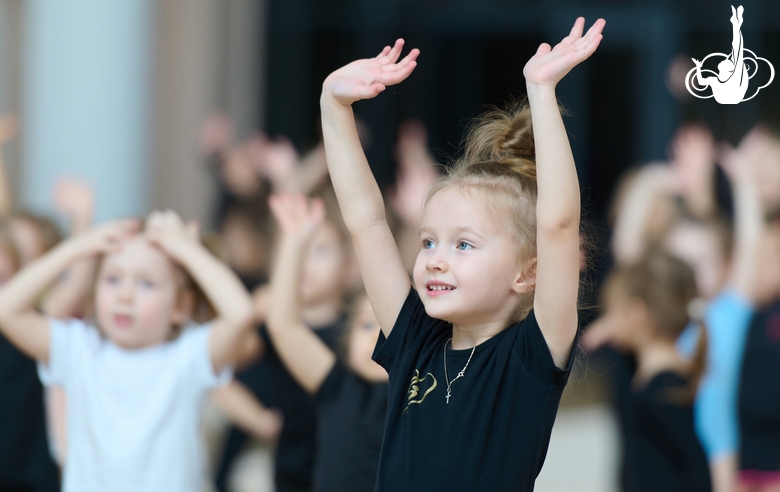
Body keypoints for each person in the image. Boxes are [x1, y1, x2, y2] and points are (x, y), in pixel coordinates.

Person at [319, 17, 604, 490]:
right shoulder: (415, 343)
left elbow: (557, 225)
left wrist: (541, 91)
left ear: (527, 273)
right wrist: (333, 103)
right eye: (428, 241)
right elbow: (366, 222)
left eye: (463, 244)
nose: (435, 258)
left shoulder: (530, 358)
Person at [0, 210, 255, 491]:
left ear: (181, 306)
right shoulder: (79, 351)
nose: (125, 295)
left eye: (146, 283)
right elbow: (6, 309)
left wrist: (187, 250)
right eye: (112, 279)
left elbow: (241, 314)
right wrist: (78, 247)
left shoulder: (187, 358)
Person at [265, 192, 388, 492]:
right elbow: (283, 326)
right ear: (347, 338)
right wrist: (294, 241)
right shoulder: (339, 386)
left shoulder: (423, 395)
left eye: (388, 328)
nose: (375, 336)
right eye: (366, 325)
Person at [587, 252, 712, 492]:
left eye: (612, 312)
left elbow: (695, 472)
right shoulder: (645, 380)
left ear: (635, 313)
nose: (608, 322)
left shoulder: (664, 392)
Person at [692, 5, 749, 104]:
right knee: (736, 50)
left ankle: (736, 23)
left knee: (737, 50)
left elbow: (737, 49)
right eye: (728, 60)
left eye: (727, 61)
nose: (725, 59)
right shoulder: (716, 80)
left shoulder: (732, 79)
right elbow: (701, 81)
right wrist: (698, 67)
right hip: (730, 97)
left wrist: (698, 67)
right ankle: (736, 23)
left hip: (733, 96)